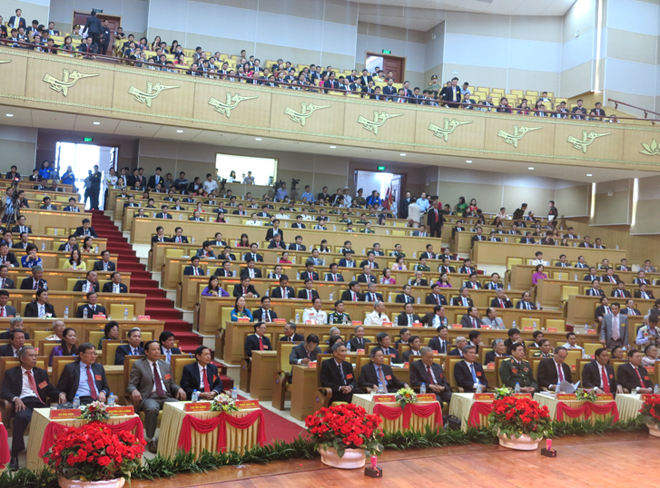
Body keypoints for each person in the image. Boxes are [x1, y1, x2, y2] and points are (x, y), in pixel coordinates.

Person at [1, 346, 65, 469]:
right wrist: (15, 398)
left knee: (54, 419)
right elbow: (4, 392)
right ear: (22, 358)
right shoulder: (11, 373)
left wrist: (60, 394)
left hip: (39, 403)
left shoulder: (41, 373)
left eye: (35, 356)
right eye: (31, 356)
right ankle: (15, 454)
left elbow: (49, 390)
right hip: (23, 403)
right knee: (20, 418)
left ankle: (57, 454)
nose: (34, 358)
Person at [129, 340, 186, 453]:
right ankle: (151, 439)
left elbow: (171, 384)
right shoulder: (139, 365)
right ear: (146, 352)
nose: (157, 352)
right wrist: (134, 390)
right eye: (153, 349)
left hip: (166, 396)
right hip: (149, 396)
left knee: (181, 407)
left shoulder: (166, 365)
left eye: (158, 349)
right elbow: (131, 384)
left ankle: (174, 437)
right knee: (151, 409)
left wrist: (178, 389)